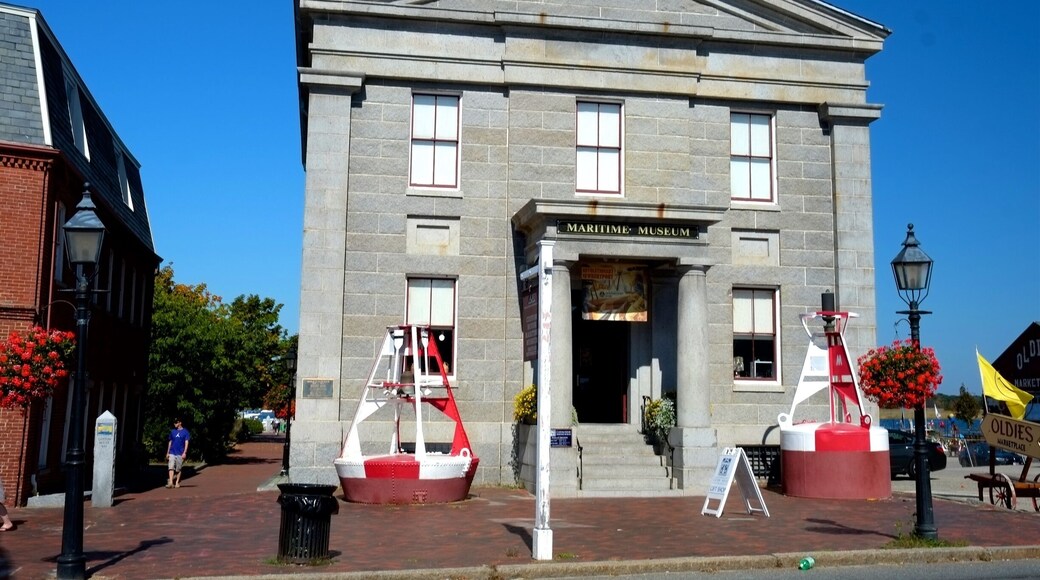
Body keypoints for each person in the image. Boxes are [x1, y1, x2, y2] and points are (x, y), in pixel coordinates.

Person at [166, 418, 190, 489]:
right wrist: (167, 452)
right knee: (171, 466)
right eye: (174, 423)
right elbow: (170, 441)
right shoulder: (172, 431)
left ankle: (177, 482)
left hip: (180, 452)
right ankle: (170, 482)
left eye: (176, 422)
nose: (175, 424)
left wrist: (184, 452)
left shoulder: (185, 432)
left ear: (180, 423)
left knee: (178, 469)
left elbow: (186, 442)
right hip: (172, 452)